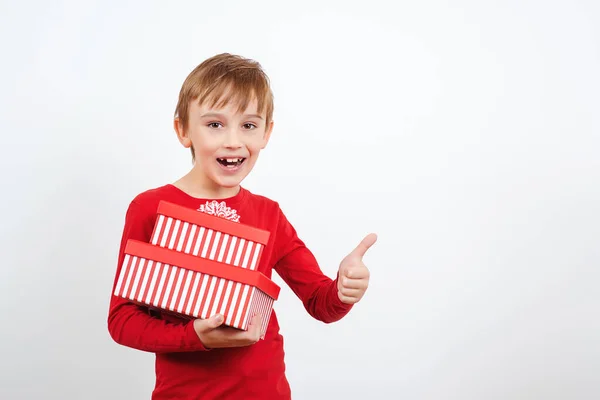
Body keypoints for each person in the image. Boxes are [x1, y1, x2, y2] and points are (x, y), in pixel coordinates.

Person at [107, 53, 377, 399]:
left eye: (248, 125)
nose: (233, 141)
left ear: (267, 133)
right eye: (215, 124)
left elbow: (319, 302)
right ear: (183, 130)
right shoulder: (150, 208)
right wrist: (194, 336)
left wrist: (343, 289)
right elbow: (123, 320)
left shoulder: (269, 215)